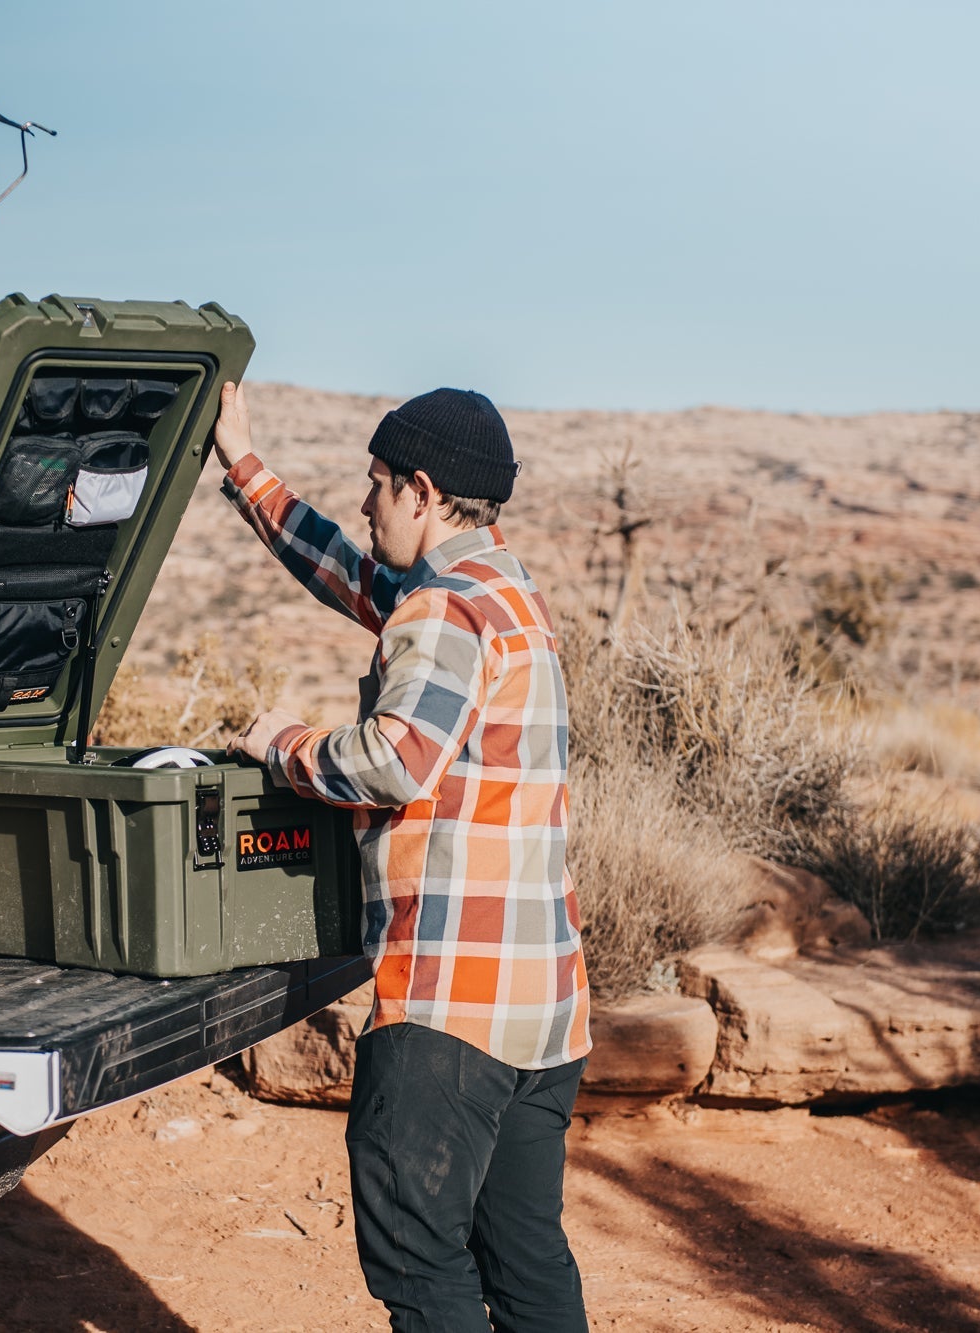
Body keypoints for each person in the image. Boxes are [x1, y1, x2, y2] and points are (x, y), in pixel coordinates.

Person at [213, 381, 592, 1333]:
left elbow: (392, 761)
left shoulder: (445, 612)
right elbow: (346, 570)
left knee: (419, 1260)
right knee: (525, 1258)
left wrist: (285, 746)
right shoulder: (507, 595)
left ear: (422, 491)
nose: (368, 501)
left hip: (449, 1006)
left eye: (377, 483)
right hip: (542, 1008)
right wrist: (245, 466)